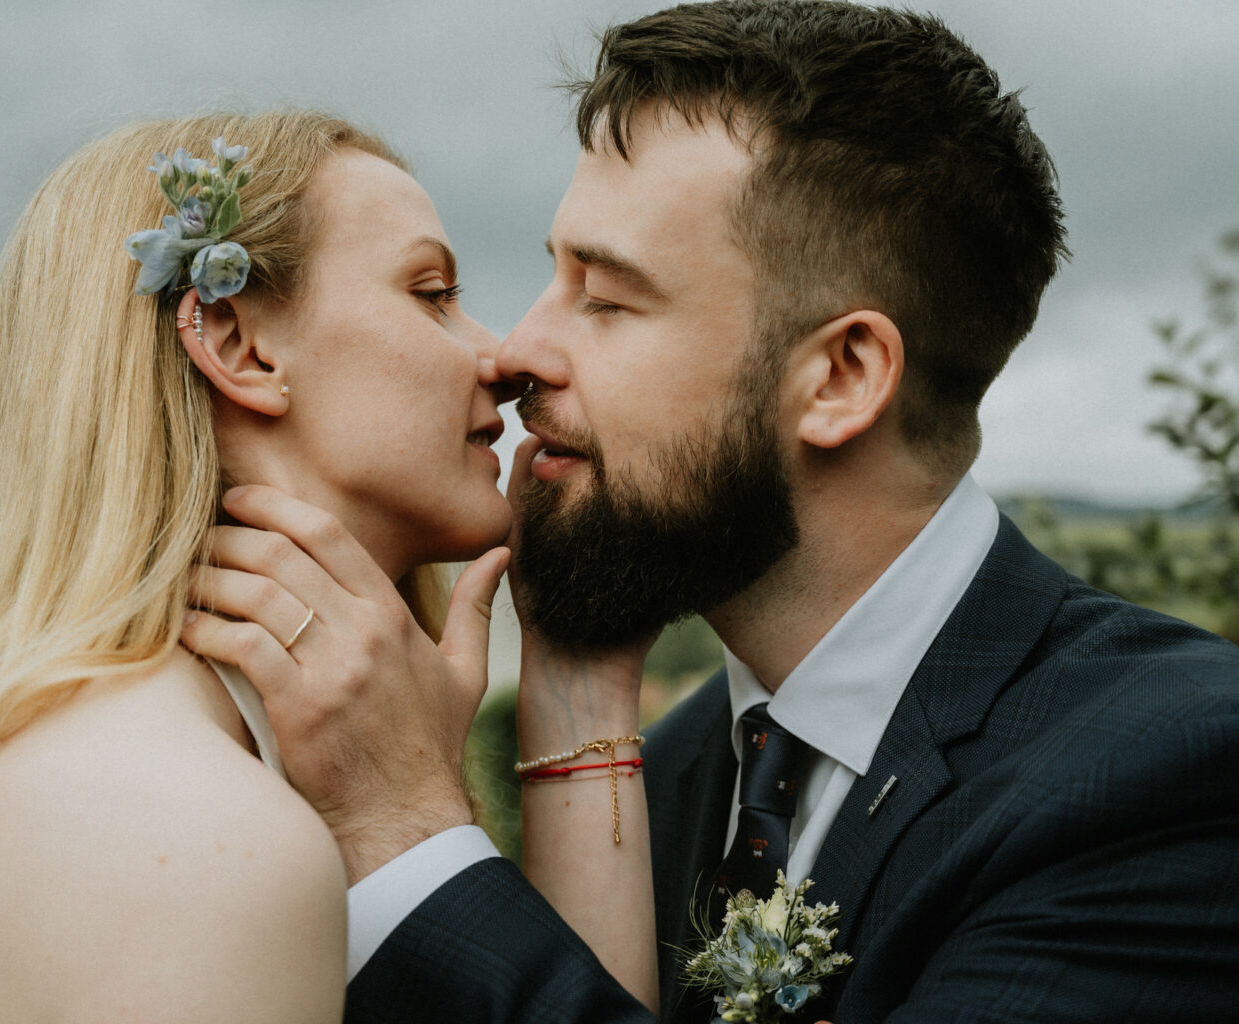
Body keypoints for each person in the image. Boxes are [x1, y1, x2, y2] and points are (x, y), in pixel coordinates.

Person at [181, 3, 1239, 1022]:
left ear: (841, 377)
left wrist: (403, 828)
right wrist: (574, 683)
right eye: (553, 277)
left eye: (606, 298)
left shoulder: (1169, 776)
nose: (517, 351)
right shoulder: (669, 772)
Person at [0, 110, 516, 1024]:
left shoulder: (99, 770)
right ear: (236, 343)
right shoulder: (200, 832)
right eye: (431, 294)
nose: (500, 356)